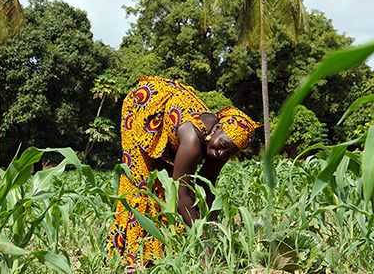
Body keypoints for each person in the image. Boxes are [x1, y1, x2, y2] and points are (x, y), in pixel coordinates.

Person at [107, 75, 260, 268]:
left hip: (172, 119)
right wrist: (204, 243)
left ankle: (165, 250)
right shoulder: (193, 141)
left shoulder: (223, 145)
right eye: (223, 146)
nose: (222, 153)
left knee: (171, 180)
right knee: (143, 182)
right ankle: (131, 256)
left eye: (230, 152)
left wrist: (212, 227)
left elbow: (207, 184)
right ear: (218, 128)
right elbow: (181, 194)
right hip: (145, 106)